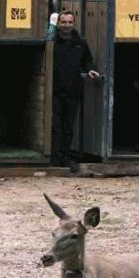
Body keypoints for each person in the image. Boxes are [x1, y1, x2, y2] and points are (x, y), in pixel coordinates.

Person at [50, 10, 101, 173]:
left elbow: (88, 61)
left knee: (68, 127)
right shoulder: (52, 41)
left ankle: (65, 157)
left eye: (69, 22)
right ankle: (54, 157)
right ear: (59, 24)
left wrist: (91, 70)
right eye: (63, 22)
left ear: (74, 23)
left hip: (73, 90)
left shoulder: (80, 42)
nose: (66, 26)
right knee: (55, 126)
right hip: (54, 90)